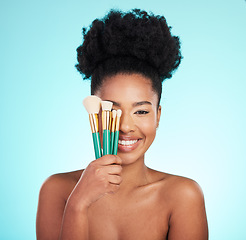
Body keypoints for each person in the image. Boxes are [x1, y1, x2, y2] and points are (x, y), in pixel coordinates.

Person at [36, 9, 208, 240]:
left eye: (141, 111)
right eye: (113, 110)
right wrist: (78, 204)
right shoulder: (57, 190)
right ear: (95, 113)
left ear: (158, 116)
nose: (126, 126)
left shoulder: (183, 196)